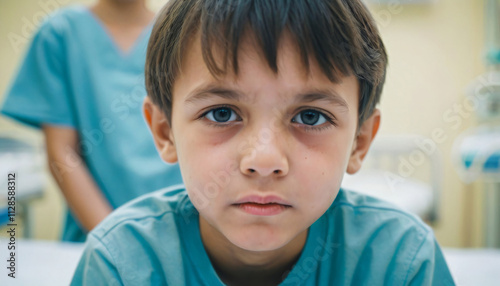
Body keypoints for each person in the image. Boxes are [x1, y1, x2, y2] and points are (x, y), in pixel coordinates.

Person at [71, 0, 455, 285]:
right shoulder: (119, 264)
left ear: (359, 142)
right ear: (164, 132)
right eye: (222, 114)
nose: (265, 160)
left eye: (310, 117)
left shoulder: (402, 264)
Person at [0, 0, 183, 242]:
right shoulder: (60, 34)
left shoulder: (183, 34)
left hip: (182, 230)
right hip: (96, 237)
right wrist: (117, 243)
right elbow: (62, 153)